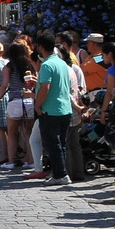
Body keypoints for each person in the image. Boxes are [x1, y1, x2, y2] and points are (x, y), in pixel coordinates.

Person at [29, 34, 74, 185]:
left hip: (51, 110)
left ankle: (60, 174)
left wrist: (37, 104)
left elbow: (45, 88)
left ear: (41, 47)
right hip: (64, 109)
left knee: (52, 144)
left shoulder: (47, 65)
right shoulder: (61, 63)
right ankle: (60, 172)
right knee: (59, 144)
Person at [2, 41, 37, 170]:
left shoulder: (9, 66)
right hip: (29, 99)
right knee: (28, 132)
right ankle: (31, 160)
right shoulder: (31, 65)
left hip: (15, 100)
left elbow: (5, 84)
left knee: (12, 133)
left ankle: (11, 161)